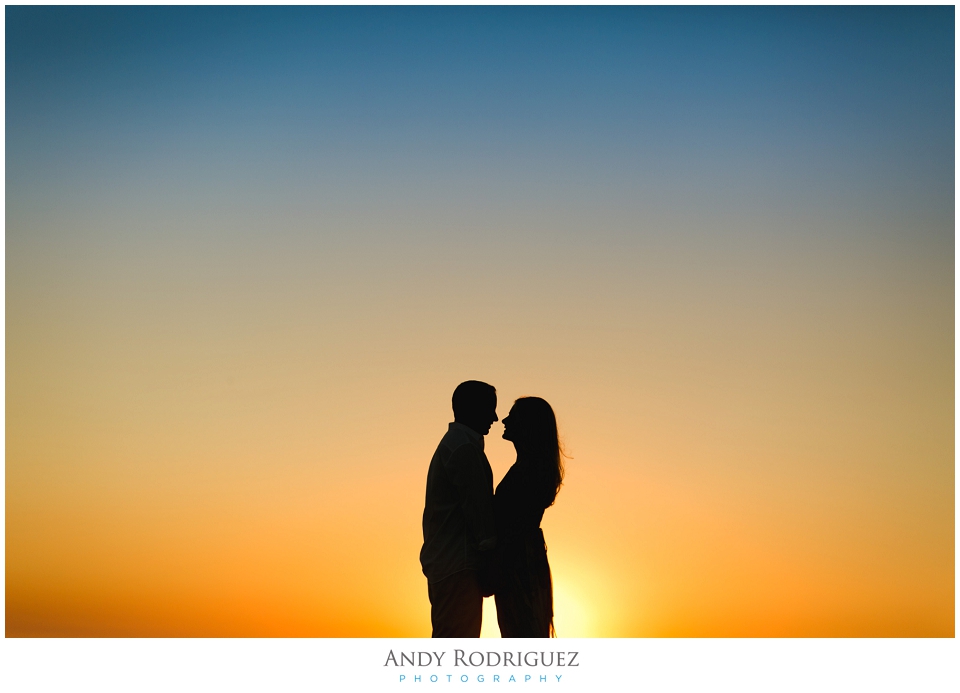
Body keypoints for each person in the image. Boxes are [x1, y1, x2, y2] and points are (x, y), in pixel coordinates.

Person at [420, 380, 499, 637]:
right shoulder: (464, 448)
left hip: (449, 563)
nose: (495, 418)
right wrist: (489, 564)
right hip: (460, 565)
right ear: (472, 408)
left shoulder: (455, 445)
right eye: (490, 409)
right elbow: (479, 513)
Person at [494, 396, 565, 638]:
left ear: (527, 424)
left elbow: (510, 524)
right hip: (521, 561)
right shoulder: (530, 467)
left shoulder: (530, 471)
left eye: (512, 416)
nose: (503, 420)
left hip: (520, 564)